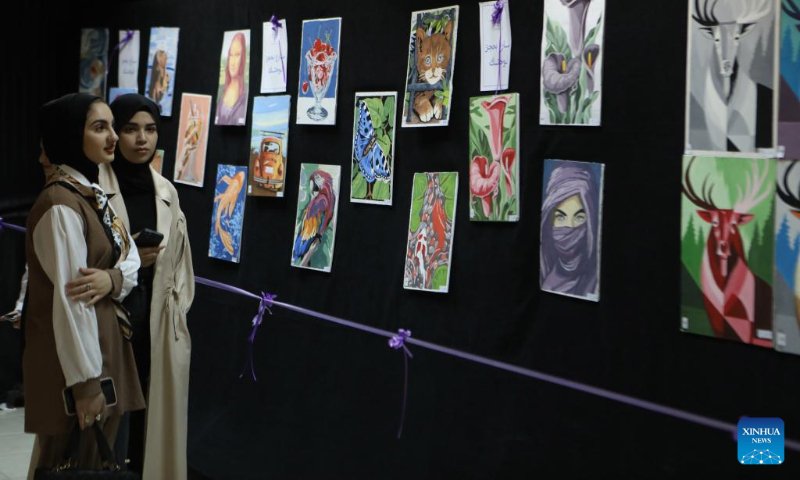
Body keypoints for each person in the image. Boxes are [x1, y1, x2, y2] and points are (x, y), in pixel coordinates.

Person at [25, 93, 144, 477]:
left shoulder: (88, 193)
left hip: (104, 355)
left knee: (97, 464)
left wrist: (113, 278)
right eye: (99, 127)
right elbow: (71, 303)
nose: (113, 137)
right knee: (73, 465)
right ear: (71, 134)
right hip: (81, 370)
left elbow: (131, 257)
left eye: (112, 126)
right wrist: (86, 385)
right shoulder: (60, 204)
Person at [99, 93, 194, 479]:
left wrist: (178, 313)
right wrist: (130, 258)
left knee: (150, 427)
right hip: (109, 318)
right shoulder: (93, 189)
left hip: (156, 323)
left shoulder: (166, 191)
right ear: (115, 134)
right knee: (108, 427)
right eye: (131, 129)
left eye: (151, 129)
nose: (142, 139)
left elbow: (182, 264)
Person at [540, 163, 600, 299]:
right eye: (560, 217)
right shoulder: (546, 275)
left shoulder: (594, 280)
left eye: (579, 218)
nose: (570, 226)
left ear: (590, 221)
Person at [215, 32, 247, 125]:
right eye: (231, 55)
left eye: (237, 55)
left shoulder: (245, 94)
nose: (232, 62)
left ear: (243, 58)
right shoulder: (221, 91)